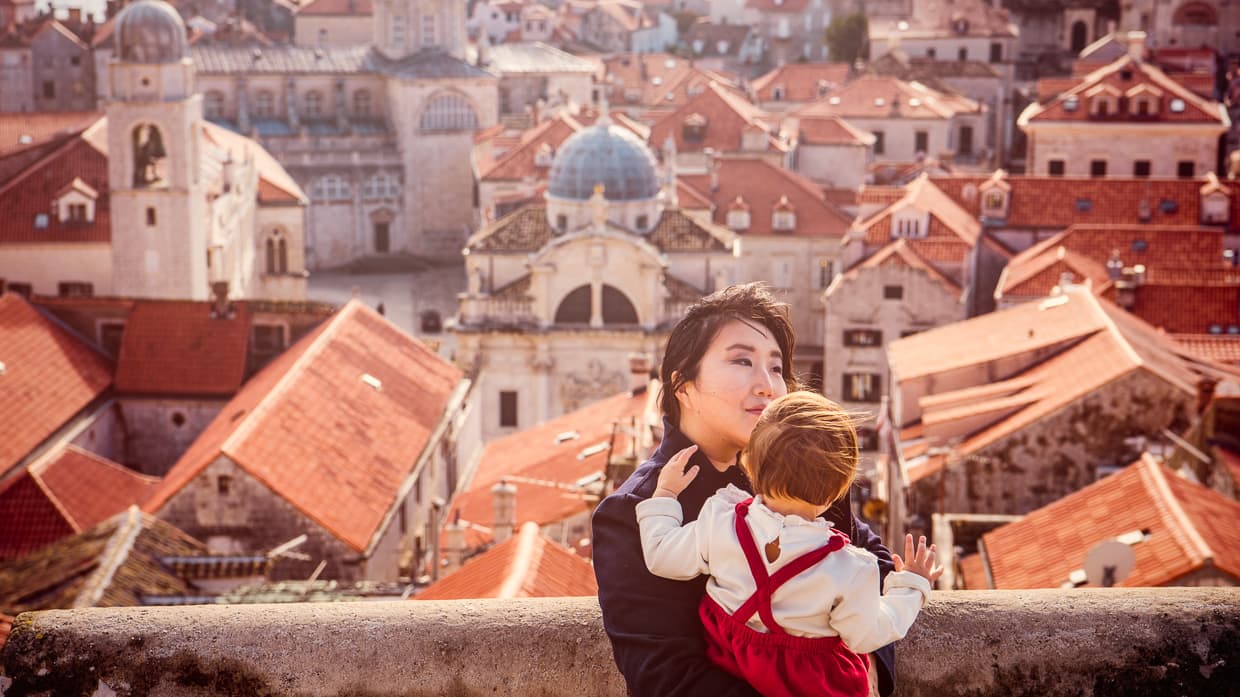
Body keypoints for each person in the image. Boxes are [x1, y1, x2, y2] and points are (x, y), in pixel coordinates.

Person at [592, 283, 899, 697]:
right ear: (683, 385)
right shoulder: (631, 513)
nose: (768, 386)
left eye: (776, 368)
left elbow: (874, 562)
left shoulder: (801, 471)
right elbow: (664, 677)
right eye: (742, 361)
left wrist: (873, 666)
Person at [637, 391, 941, 697]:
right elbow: (868, 634)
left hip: (730, 660)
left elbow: (661, 555)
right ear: (835, 493)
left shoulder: (720, 519)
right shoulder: (849, 568)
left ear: (751, 468)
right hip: (815, 683)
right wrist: (912, 587)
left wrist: (665, 494)